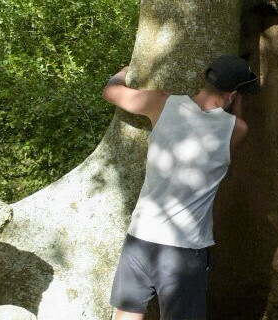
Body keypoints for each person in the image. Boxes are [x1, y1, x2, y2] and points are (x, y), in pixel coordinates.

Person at [103, 55, 259, 320]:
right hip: (184, 249)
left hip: (140, 238)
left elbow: (111, 91)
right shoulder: (236, 129)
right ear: (233, 96)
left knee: (126, 314)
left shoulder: (162, 103)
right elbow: (234, 125)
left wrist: (123, 71)